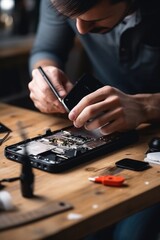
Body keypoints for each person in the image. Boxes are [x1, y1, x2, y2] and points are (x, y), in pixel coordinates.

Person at [28, 0, 160, 239]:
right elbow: (45, 50)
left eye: (94, 20)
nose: (80, 29)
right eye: (72, 18)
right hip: (103, 132)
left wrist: (146, 106)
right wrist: (43, 74)